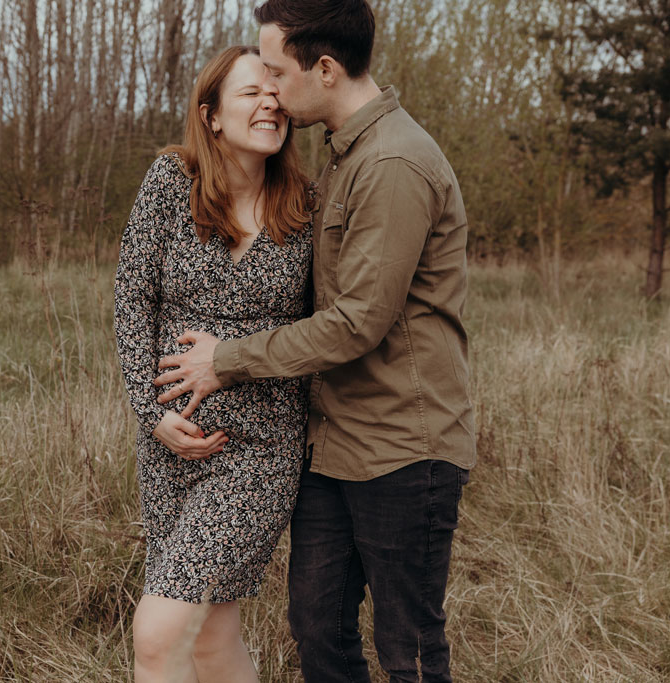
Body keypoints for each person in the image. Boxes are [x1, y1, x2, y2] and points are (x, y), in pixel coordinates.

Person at [153, 1, 477, 681]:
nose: (269, 86)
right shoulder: (339, 159)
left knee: (408, 646)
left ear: (323, 68)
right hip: (333, 448)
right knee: (320, 632)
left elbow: (358, 320)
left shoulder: (393, 163)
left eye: (275, 69)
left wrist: (227, 360)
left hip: (402, 450)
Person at [113, 45, 314, 683]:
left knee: (158, 630)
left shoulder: (308, 207)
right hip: (171, 445)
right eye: (251, 92)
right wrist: (154, 417)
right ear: (211, 116)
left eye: (274, 91)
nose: (270, 102)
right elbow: (131, 300)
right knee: (208, 635)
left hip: (258, 449)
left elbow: (325, 328)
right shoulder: (170, 182)